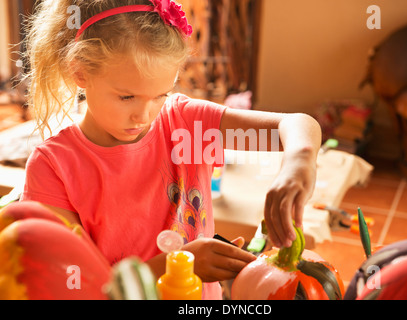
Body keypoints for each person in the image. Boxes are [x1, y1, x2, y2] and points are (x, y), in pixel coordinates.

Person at [21, 0, 322, 300]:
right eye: (127, 97)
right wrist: (176, 266)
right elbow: (72, 287)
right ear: (80, 72)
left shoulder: (187, 125)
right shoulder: (54, 167)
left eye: (160, 95)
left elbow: (297, 125)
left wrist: (299, 164)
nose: (144, 115)